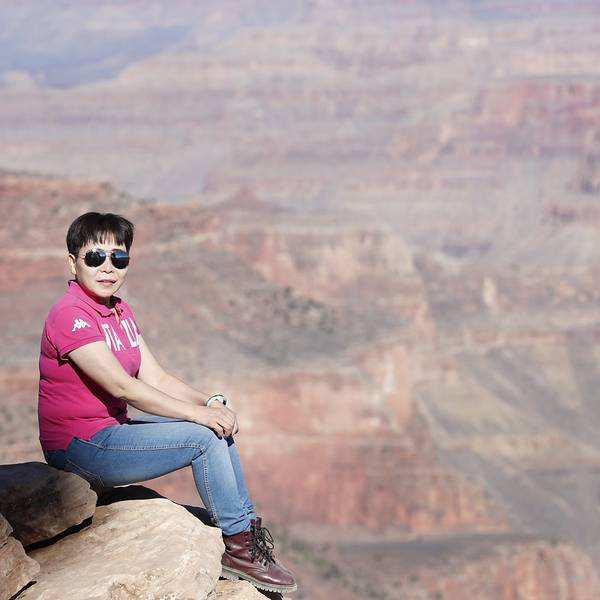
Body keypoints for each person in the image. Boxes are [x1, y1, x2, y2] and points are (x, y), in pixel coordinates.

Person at [38, 212, 296, 594]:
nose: (107, 267)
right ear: (73, 262)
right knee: (203, 438)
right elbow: (123, 387)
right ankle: (239, 548)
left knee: (216, 429)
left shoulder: (119, 311)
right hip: (79, 446)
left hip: (111, 431)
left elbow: (155, 377)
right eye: (95, 257)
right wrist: (197, 416)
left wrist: (209, 402)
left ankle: (247, 534)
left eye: (118, 258)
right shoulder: (70, 315)